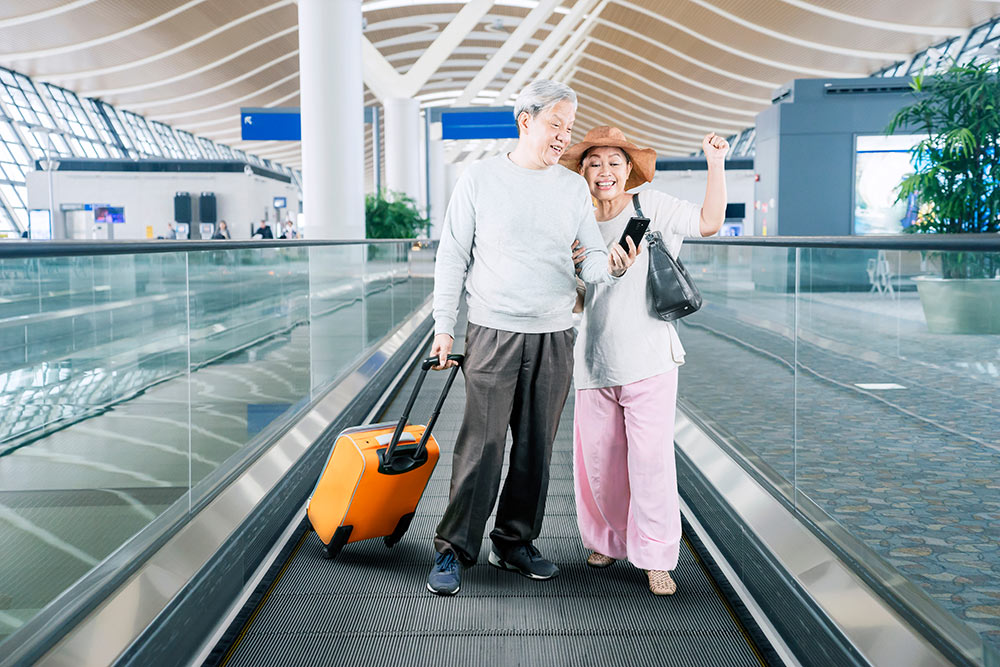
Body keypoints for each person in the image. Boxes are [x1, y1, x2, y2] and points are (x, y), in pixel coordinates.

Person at [426, 81, 639, 597]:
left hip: (553, 333)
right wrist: (443, 325)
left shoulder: (571, 189)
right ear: (525, 121)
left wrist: (608, 268)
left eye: (568, 127)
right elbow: (453, 254)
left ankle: (513, 542)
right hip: (493, 329)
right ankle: (455, 549)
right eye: (555, 125)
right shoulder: (479, 178)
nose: (564, 137)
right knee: (482, 443)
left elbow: (588, 257)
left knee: (536, 447)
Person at [561, 126, 728, 595]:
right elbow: (575, 304)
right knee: (599, 462)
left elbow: (709, 222)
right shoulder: (575, 223)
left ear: (630, 169)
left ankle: (655, 556)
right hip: (593, 360)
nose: (604, 171)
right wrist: (578, 270)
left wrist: (715, 164)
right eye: (594, 163)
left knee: (650, 462)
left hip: (650, 358)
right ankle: (609, 541)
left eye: (614, 162)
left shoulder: (651, 207)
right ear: (582, 171)